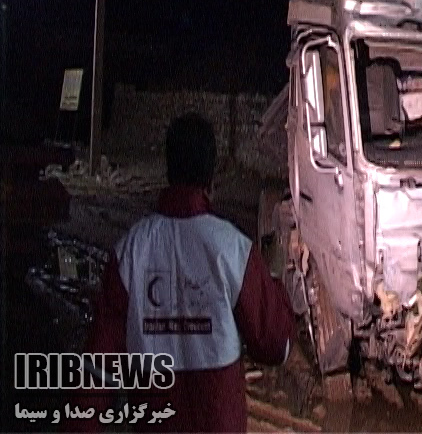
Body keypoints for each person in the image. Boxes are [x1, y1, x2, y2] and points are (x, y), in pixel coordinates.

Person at [66, 113, 295, 432]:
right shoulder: (233, 249)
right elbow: (274, 345)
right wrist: (276, 288)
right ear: (211, 175)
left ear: (168, 169)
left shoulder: (130, 251)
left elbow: (97, 368)